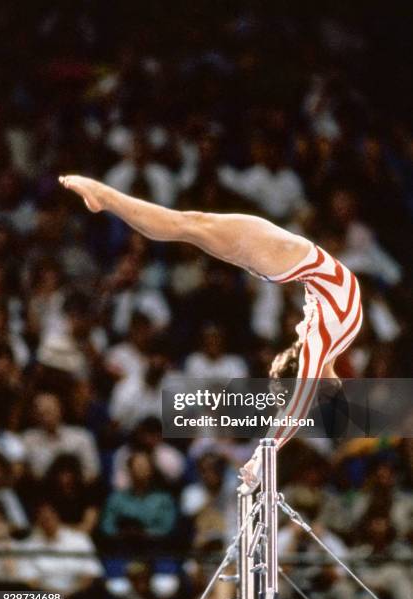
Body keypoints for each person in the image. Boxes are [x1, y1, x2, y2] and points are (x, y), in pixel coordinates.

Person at [58, 175, 363, 489]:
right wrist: (261, 458)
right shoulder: (326, 339)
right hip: (278, 255)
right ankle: (105, 198)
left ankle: (107, 200)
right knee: (185, 225)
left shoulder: (340, 336)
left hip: (280, 260)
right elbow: (298, 407)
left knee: (188, 227)